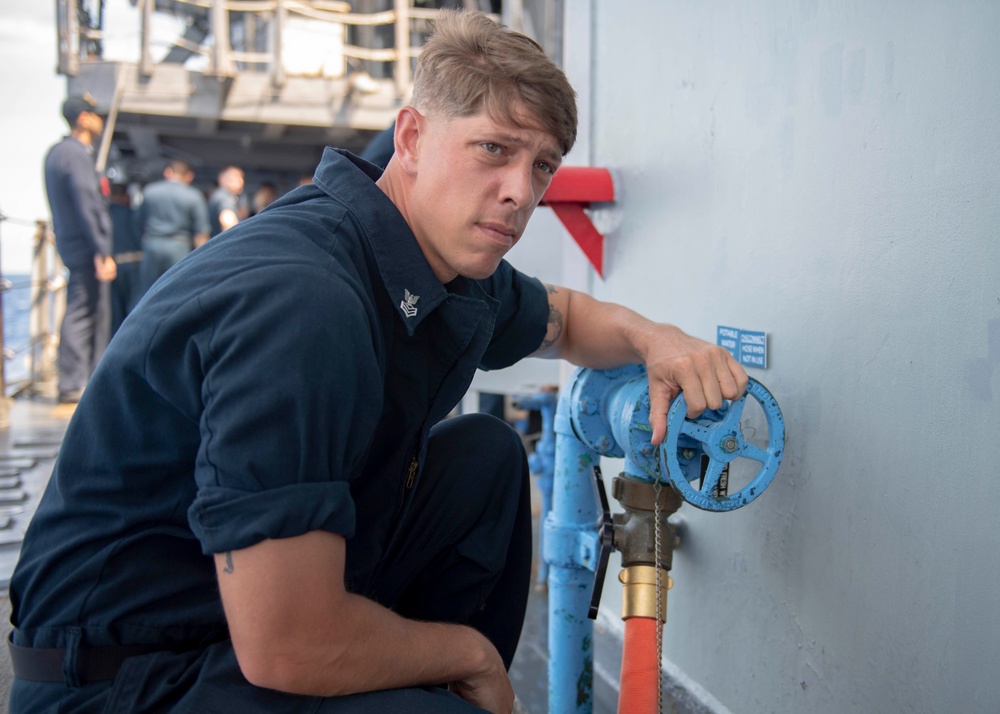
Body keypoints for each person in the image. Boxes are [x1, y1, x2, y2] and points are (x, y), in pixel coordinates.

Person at [7, 11, 746, 714]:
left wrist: (661, 340)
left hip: (230, 618)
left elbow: (567, 318)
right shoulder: (308, 301)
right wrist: (472, 656)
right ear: (413, 137)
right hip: (125, 677)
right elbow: (286, 648)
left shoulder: (433, 259)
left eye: (542, 166)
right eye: (493, 149)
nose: (521, 193)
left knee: (486, 456)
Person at [42, 93, 117, 404]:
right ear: (83, 118)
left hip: (73, 243)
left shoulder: (57, 152)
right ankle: (75, 382)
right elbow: (87, 203)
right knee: (85, 311)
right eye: (94, 113)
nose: (99, 119)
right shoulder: (75, 154)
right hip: (87, 248)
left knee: (83, 309)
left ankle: (79, 379)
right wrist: (102, 249)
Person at [136, 159, 211, 297]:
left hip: (152, 244)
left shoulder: (150, 191)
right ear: (189, 176)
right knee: (176, 293)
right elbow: (202, 233)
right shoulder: (194, 196)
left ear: (167, 172)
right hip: (179, 247)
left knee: (146, 294)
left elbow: (137, 221)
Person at [107, 182, 142, 333]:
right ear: (125, 196)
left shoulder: (105, 215)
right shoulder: (133, 214)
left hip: (112, 266)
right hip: (134, 264)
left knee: (114, 311)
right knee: (134, 307)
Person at [207, 164, 245, 236]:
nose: (241, 181)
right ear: (222, 178)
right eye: (236, 176)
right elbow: (228, 219)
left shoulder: (218, 195)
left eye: (242, 177)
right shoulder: (225, 197)